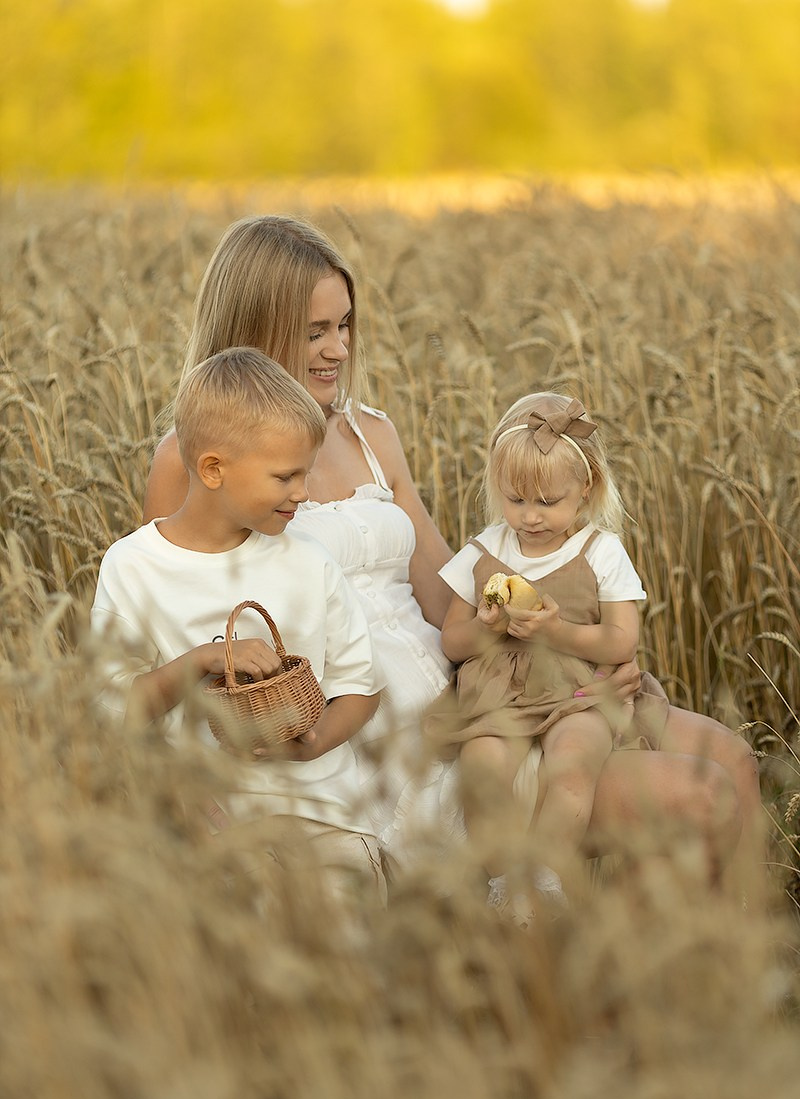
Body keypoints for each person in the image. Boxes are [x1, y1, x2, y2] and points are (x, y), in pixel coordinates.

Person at [142, 213, 753, 887]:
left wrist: (569, 648)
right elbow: (172, 645)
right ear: (254, 330)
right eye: (314, 331)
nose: (338, 349)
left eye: (344, 325)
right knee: (701, 797)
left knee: (733, 758)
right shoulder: (194, 458)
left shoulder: (372, 433)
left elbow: (445, 595)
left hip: (460, 699)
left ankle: (709, 986)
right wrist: (201, 803)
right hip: (367, 746)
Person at [429, 392, 761, 916]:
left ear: (584, 491)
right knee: (484, 765)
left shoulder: (600, 551)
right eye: (516, 500)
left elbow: (620, 641)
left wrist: (556, 630)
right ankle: (497, 884)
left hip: (577, 693)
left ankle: (540, 876)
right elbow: (453, 640)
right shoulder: (482, 550)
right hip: (497, 695)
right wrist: (487, 627)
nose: (530, 517)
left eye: (546, 502)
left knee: (572, 765)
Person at [92, 348, 386, 904]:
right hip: (206, 819)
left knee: (348, 932)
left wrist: (314, 741)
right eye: (285, 476)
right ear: (212, 469)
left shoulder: (309, 560)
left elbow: (360, 687)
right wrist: (204, 658)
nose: (303, 492)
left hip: (323, 811)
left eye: (307, 472)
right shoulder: (133, 567)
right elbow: (114, 711)